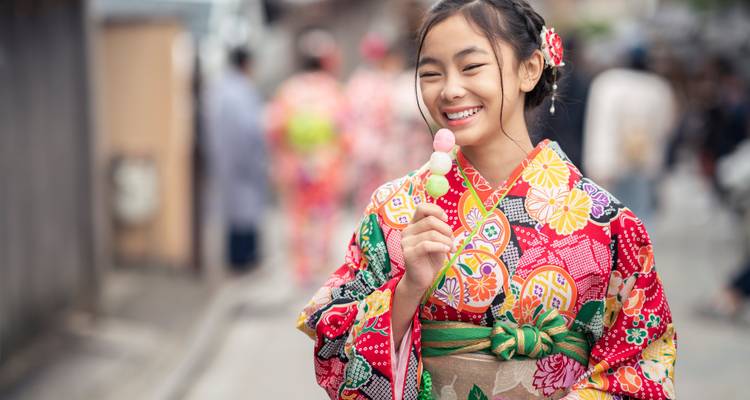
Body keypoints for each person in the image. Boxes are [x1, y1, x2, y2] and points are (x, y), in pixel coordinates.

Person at [297, 1, 676, 399]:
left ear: (529, 69)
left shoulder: (607, 223)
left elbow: (643, 361)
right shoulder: (393, 209)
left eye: (471, 66)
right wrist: (407, 291)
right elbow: (333, 340)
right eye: (430, 73)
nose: (450, 89)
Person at [267, 28, 349, 285]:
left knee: (299, 216)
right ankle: (321, 264)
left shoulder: (289, 90)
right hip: (326, 163)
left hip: (296, 164)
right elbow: (345, 133)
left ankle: (301, 267)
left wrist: (284, 156)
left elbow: (275, 129)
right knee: (324, 214)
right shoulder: (333, 90)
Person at [583, 46, 677, 223]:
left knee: (609, 217)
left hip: (608, 162)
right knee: (639, 215)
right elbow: (666, 125)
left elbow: (597, 124)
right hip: (642, 161)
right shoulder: (658, 88)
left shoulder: (607, 83)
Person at [205, 47, 267, 273]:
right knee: (245, 211)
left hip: (223, 157)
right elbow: (249, 128)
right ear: (246, 64)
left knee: (233, 210)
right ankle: (244, 259)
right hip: (244, 158)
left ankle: (236, 258)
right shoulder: (242, 91)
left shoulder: (218, 88)